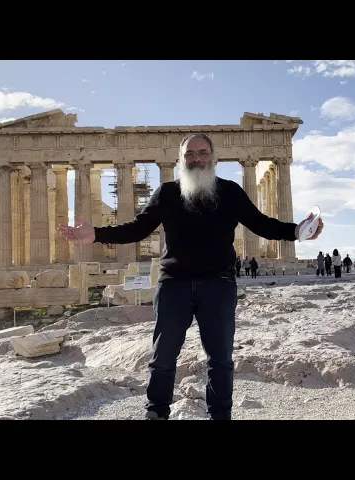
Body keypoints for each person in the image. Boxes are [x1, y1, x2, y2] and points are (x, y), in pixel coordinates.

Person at [57, 133, 324, 420]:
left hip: (218, 284)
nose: (197, 159)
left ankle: (219, 415)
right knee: (162, 357)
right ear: (181, 159)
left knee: (220, 359)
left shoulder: (230, 192)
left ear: (213, 157)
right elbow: (138, 228)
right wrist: (97, 234)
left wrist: (297, 231)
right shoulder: (167, 193)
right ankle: (156, 412)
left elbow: (261, 224)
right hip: (174, 284)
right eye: (190, 154)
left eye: (202, 152)